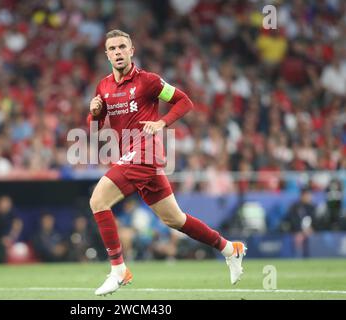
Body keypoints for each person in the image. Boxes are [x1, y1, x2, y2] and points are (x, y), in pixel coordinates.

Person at [87, 30, 246, 296]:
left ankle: (118, 270)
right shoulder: (103, 87)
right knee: (175, 219)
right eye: (112, 48)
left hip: (146, 153)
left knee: (97, 201)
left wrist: (161, 122)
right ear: (106, 54)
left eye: (122, 47)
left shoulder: (149, 81)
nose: (117, 52)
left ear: (131, 50)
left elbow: (185, 101)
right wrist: (93, 114)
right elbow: (94, 130)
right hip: (131, 156)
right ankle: (231, 249)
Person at [0, 195, 23, 263]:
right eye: (3, 202)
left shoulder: (13, 214)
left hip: (12, 241)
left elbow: (17, 227)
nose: (5, 205)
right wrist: (0, 240)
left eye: (7, 203)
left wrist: (10, 238)